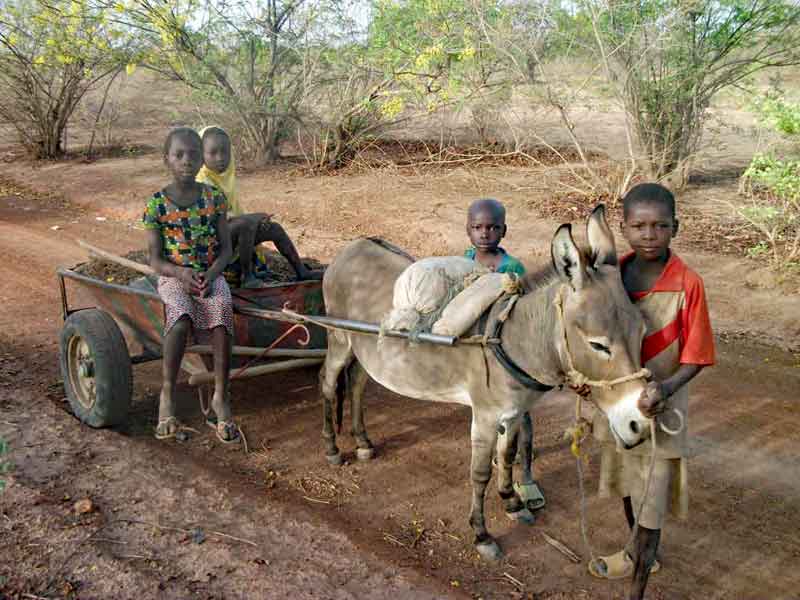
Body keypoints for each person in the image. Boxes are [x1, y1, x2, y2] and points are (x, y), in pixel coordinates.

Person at [589, 183, 715, 600]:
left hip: (663, 408)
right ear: (623, 228)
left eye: (660, 225)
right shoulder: (611, 278)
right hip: (618, 403)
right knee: (628, 484)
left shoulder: (688, 284)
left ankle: (637, 589)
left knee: (652, 499)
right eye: (639, 225)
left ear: (675, 227)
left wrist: (666, 387)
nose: (649, 234)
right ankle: (637, 551)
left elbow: (696, 356)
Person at [143, 127, 240, 444]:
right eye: (179, 154)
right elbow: (155, 260)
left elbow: (226, 250)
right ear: (166, 159)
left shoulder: (214, 198)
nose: (187, 160)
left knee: (223, 317)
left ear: (202, 160)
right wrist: (181, 274)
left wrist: (211, 274)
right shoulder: (156, 204)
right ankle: (168, 395)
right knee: (181, 319)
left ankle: (221, 398)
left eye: (193, 154)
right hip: (175, 276)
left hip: (210, 274)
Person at [464, 198, 544, 511]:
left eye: (492, 227)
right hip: (479, 352)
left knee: (520, 416)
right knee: (487, 415)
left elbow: (524, 311)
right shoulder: (464, 262)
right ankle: (499, 459)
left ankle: (525, 473)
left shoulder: (513, 268)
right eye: (478, 227)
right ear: (468, 230)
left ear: (504, 231)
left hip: (509, 354)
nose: (485, 233)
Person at [196, 126, 322, 288]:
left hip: (227, 238)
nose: (220, 158)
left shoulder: (225, 179)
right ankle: (247, 277)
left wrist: (253, 220)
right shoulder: (200, 183)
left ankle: (301, 271)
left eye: (225, 152)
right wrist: (254, 218)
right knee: (245, 225)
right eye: (213, 153)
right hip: (208, 249)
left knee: (273, 229)